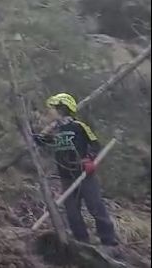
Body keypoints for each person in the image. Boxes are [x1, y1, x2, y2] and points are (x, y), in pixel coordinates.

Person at [34, 92, 118, 247]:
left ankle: (108, 239)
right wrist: (38, 139)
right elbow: (45, 143)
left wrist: (90, 159)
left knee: (95, 206)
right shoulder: (54, 130)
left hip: (85, 174)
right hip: (66, 175)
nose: (49, 111)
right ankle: (82, 241)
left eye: (52, 108)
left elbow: (95, 144)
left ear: (62, 108)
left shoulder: (79, 126)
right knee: (72, 211)